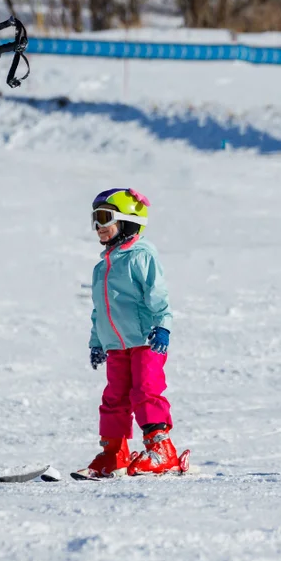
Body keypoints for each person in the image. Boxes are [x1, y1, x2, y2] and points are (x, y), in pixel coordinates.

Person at [83, 188, 188, 477]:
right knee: (114, 397)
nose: (98, 227)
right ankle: (114, 454)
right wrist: (97, 342)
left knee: (145, 391)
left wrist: (163, 326)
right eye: (95, 219)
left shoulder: (140, 257)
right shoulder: (101, 267)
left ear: (128, 221)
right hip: (115, 344)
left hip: (145, 340)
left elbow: (158, 295)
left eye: (105, 218)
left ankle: (161, 450)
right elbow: (99, 309)